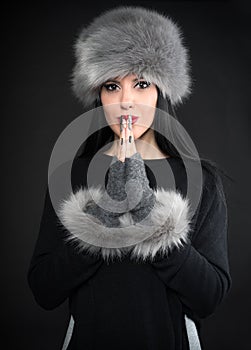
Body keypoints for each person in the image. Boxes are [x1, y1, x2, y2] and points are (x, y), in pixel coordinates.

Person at [27, 6, 232, 350]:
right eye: (111, 86)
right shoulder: (74, 176)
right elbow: (44, 290)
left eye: (140, 83)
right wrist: (100, 220)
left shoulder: (203, 181)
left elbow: (209, 297)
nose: (125, 101)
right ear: (98, 95)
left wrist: (149, 216)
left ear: (161, 91)